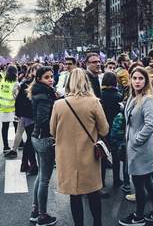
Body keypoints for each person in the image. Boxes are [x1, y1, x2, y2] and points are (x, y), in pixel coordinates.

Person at [50, 68, 109, 226]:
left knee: (74, 195)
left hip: (67, 157)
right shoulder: (93, 102)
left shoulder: (58, 104)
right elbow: (104, 129)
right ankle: (97, 223)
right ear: (86, 82)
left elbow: (52, 131)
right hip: (88, 155)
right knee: (93, 193)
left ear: (69, 82)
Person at [119, 66, 153, 226]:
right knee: (146, 182)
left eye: (141, 78)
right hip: (136, 147)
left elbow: (151, 124)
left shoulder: (147, 99)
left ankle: (139, 216)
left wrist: (136, 140)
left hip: (142, 148)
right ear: (130, 80)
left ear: (146, 81)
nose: (137, 81)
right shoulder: (134, 96)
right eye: (135, 78)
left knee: (140, 182)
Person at [29, 66, 59, 226]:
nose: (51, 79)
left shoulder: (42, 92)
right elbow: (42, 119)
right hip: (45, 138)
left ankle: (35, 210)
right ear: (39, 79)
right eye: (47, 77)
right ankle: (42, 215)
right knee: (45, 179)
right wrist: (54, 130)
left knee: (41, 176)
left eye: (51, 76)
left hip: (37, 137)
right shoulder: (43, 96)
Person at [99, 71, 123, 193]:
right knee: (116, 155)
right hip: (115, 128)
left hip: (103, 128)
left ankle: (101, 182)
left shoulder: (100, 95)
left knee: (103, 156)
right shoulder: (118, 96)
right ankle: (116, 179)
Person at [13, 63, 38, 174]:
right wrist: (18, 114)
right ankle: (32, 164)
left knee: (30, 139)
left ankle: (25, 163)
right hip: (28, 115)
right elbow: (19, 100)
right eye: (35, 70)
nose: (37, 72)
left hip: (36, 115)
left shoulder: (43, 84)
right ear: (31, 71)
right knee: (30, 139)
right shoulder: (25, 84)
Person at [0, 65, 18, 153]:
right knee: (17, 126)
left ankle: (5, 146)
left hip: (3, 107)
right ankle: (19, 143)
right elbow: (17, 95)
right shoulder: (15, 83)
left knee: (4, 127)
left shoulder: (2, 81)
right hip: (13, 107)